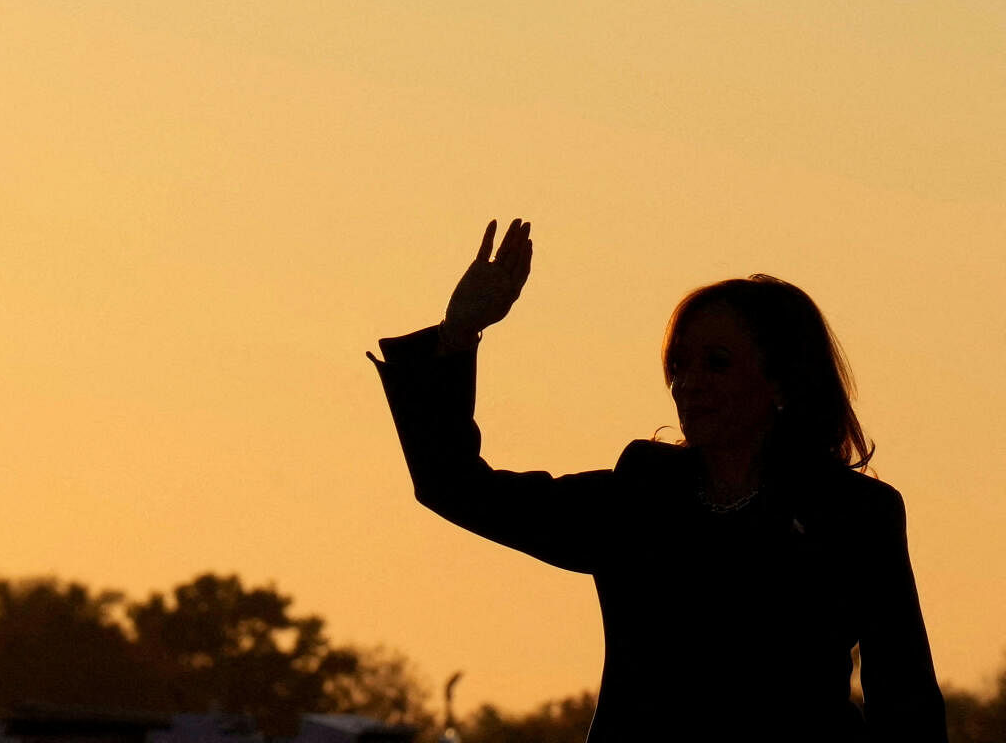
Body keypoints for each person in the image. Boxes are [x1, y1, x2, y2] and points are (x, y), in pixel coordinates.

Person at [367, 219, 946, 742]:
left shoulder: (851, 514)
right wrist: (457, 335)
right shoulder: (641, 495)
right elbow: (456, 487)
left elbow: (906, 699)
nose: (690, 382)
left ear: (781, 382)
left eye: (716, 362)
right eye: (679, 365)